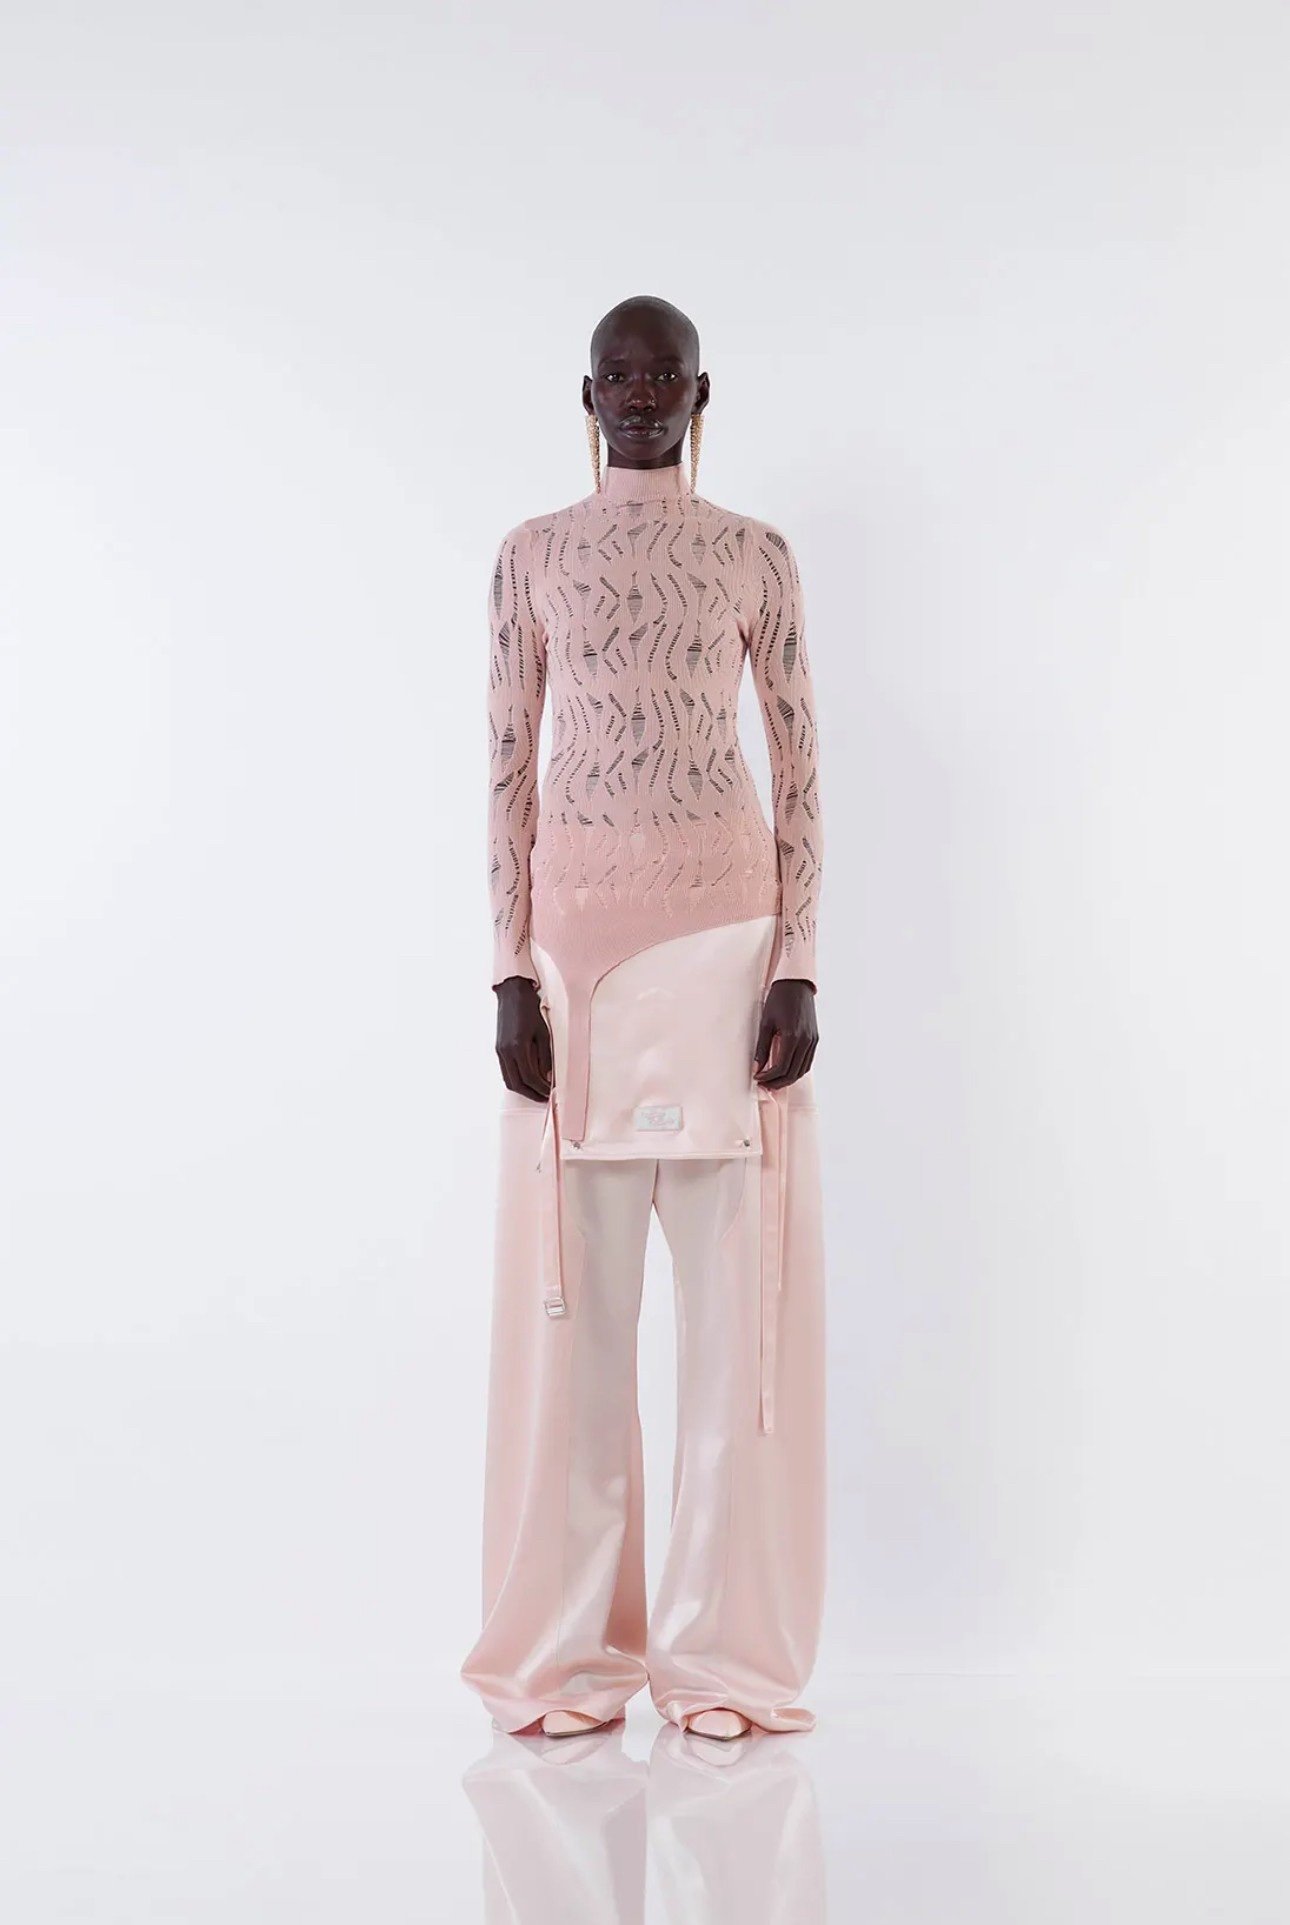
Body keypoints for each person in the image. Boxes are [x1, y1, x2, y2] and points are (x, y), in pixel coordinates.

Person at [459, 295, 826, 1741]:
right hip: (574, 964)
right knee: (575, 1323)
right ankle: (565, 1659)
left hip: (729, 951)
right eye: (617, 374)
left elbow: (799, 762)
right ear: (587, 393)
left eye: (662, 375)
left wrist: (798, 959)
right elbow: (507, 765)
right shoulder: (531, 554)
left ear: (700, 393)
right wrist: (508, 968)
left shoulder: (754, 554)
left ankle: (725, 1661)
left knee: (737, 1330)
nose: (639, 394)